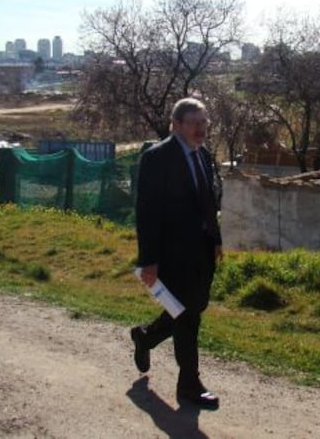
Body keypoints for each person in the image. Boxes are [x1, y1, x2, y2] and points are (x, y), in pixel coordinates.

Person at [131, 97, 223, 409]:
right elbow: (147, 211)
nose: (202, 129)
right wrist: (148, 260)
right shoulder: (157, 158)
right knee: (187, 315)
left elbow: (208, 202)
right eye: (195, 123)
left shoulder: (203, 155)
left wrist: (217, 240)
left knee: (190, 308)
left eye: (204, 122)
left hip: (202, 250)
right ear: (177, 125)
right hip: (172, 253)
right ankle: (189, 385)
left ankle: (145, 337)